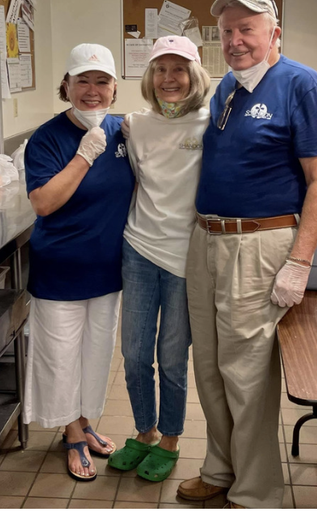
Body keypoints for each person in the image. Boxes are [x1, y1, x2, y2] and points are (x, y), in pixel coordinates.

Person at [180, 0, 317, 508]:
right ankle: (220, 469)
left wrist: (299, 261)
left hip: (259, 244)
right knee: (209, 367)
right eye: (227, 30)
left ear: (275, 31)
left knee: (245, 374)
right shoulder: (226, 87)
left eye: (246, 28)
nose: (235, 40)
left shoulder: (301, 84)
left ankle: (255, 495)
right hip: (207, 241)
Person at [24, 42, 135, 484]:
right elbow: (44, 202)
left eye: (102, 81)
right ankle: (70, 432)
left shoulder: (124, 131)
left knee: (96, 354)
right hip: (61, 270)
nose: (92, 90)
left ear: (113, 87)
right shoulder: (48, 138)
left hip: (107, 269)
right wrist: (84, 156)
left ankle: (86, 421)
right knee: (61, 356)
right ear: (66, 85)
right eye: (82, 81)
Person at [107, 35, 207, 482]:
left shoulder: (211, 124)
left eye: (179, 69)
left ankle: (170, 438)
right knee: (132, 353)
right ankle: (144, 432)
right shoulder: (133, 124)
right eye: (160, 70)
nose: (169, 79)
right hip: (140, 249)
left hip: (187, 256)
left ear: (194, 75)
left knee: (171, 357)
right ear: (150, 76)